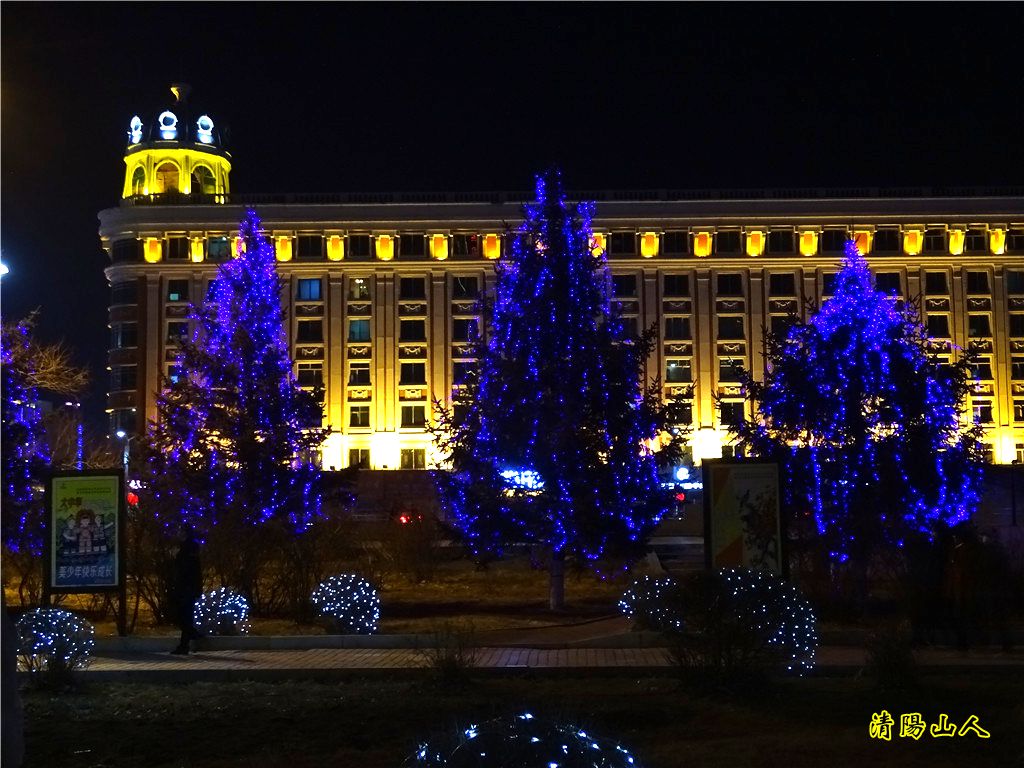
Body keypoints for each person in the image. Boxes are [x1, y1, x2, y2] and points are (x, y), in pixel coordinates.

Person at [171, 527, 203, 655]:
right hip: (186, 588)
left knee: (184, 616)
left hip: (186, 588)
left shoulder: (187, 550)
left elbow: (188, 571)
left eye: (181, 532)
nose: (179, 534)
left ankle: (185, 644)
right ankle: (192, 633)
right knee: (183, 616)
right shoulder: (188, 549)